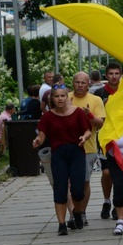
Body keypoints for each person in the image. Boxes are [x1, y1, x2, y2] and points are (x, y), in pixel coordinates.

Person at [32, 84, 92, 235]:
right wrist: (38, 140)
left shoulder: (77, 113)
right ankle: (61, 224)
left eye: (62, 96)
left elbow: (87, 130)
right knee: (60, 189)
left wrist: (84, 137)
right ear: (52, 98)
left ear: (67, 97)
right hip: (58, 154)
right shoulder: (48, 116)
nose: (60, 99)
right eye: (57, 96)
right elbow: (42, 133)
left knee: (78, 190)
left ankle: (77, 212)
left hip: (76, 152)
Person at [68, 72, 106, 227]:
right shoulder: (65, 97)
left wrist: (88, 114)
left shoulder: (95, 100)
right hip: (66, 146)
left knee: (84, 182)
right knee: (69, 184)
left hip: (87, 147)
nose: (80, 85)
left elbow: (100, 124)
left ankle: (82, 212)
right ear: (73, 83)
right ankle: (73, 214)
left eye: (83, 83)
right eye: (77, 82)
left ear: (88, 84)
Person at [94, 62, 122, 219]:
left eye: (116, 73)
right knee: (107, 172)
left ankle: (118, 203)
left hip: (122, 136)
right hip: (105, 137)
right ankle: (106, 200)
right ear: (106, 75)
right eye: (111, 74)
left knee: (120, 172)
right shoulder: (99, 93)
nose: (113, 76)